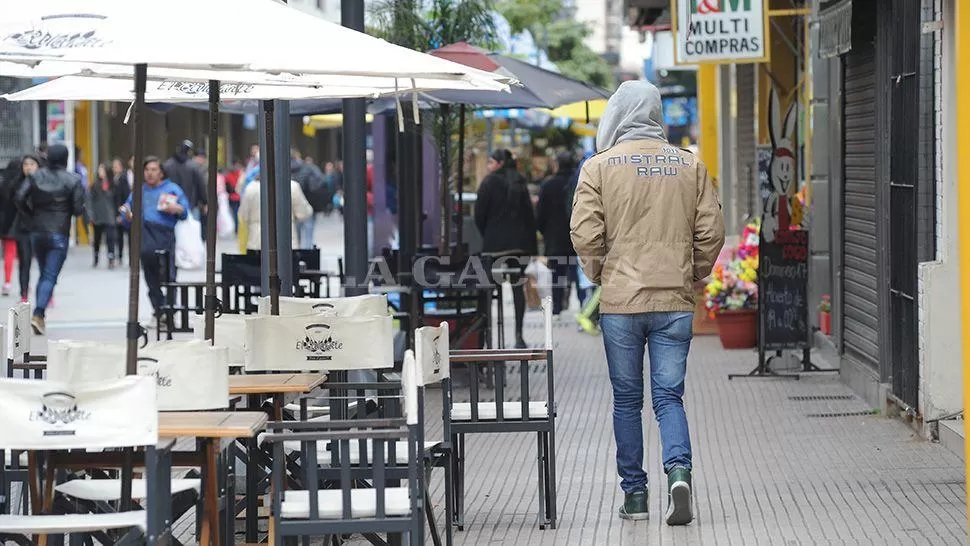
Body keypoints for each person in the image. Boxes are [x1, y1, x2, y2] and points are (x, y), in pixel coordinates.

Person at [570, 80, 725, 525]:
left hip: (621, 305)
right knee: (669, 397)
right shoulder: (690, 165)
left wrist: (602, 274)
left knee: (626, 401)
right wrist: (691, 271)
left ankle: (635, 497)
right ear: (656, 113)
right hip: (675, 302)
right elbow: (712, 231)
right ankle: (679, 473)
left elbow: (584, 233)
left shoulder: (598, 168)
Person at [16, 143, 86, 335]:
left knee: (43, 272)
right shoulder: (73, 179)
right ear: (66, 158)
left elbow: (20, 197)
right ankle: (38, 314)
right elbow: (79, 209)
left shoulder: (36, 176)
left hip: (37, 230)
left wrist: (31, 215)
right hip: (59, 231)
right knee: (49, 275)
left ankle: (40, 317)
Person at [475, 148, 537, 349]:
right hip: (519, 246)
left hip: (494, 246)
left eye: (491, 162)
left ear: (500, 163)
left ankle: (488, 337)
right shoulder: (519, 181)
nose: (488, 166)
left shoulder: (489, 182)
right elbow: (529, 216)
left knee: (489, 290)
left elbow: (479, 214)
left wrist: (488, 235)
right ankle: (519, 335)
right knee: (517, 287)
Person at [120, 157, 189, 323]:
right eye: (147, 170)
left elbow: (185, 211)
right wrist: (126, 214)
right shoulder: (138, 191)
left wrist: (176, 208)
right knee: (150, 278)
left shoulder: (172, 189)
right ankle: (160, 311)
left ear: (161, 172)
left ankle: (170, 312)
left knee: (169, 276)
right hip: (144, 236)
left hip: (165, 235)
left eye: (153, 170)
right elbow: (126, 211)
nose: (150, 173)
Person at [536, 151, 578, 316]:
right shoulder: (578, 182)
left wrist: (544, 232)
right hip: (577, 236)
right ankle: (582, 306)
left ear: (557, 165)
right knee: (578, 273)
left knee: (557, 274)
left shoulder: (548, 185)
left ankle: (557, 308)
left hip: (554, 239)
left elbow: (540, 214)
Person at [237, 168, 313, 251]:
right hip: (286, 241)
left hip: (257, 242)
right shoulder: (292, 186)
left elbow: (243, 216)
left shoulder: (250, 188)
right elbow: (304, 213)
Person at [14, 155, 40, 301]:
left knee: (44, 262)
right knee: (24, 262)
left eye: (32, 164)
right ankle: (23, 293)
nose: (28, 167)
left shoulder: (44, 183)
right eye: (25, 164)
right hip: (23, 227)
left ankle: (47, 293)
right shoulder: (18, 183)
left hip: (41, 227)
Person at [162, 140, 207, 222]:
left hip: (171, 204)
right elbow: (201, 185)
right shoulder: (193, 166)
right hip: (191, 204)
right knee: (192, 231)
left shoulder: (167, 165)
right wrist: (204, 202)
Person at [88, 163, 118, 268]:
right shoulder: (95, 185)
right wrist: (91, 215)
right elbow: (90, 201)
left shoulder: (113, 184)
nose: (100, 172)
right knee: (97, 238)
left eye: (102, 170)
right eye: (99, 170)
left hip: (110, 215)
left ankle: (111, 258)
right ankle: (96, 258)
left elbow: (117, 200)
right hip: (98, 215)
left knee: (111, 238)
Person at [0, 159, 22, 295]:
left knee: (8, 252)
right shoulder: (19, 183)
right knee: (15, 253)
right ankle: (15, 283)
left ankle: (7, 283)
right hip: (15, 222)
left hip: (3, 222)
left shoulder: (2, 182)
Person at [111, 157, 132, 264]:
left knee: (128, 234)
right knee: (118, 236)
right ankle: (119, 256)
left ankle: (129, 257)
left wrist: (122, 209)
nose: (115, 169)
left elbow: (125, 194)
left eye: (117, 166)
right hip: (115, 209)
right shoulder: (112, 179)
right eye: (113, 166)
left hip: (122, 208)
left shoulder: (123, 178)